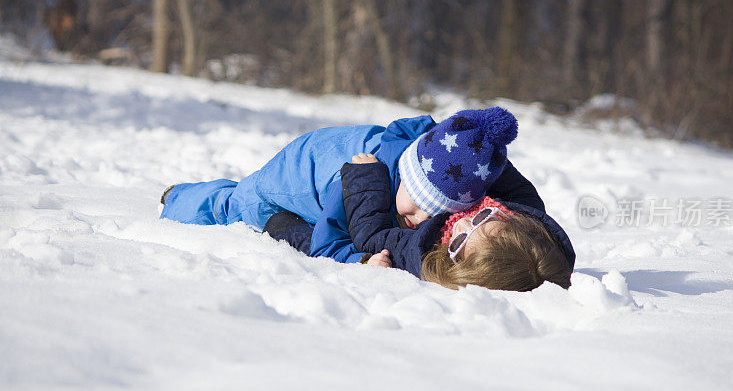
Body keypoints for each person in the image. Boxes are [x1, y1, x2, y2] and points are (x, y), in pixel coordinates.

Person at [161, 107, 531, 264]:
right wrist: (360, 259)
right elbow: (327, 242)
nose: (418, 218)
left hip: (332, 150)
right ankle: (176, 197)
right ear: (405, 174)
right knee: (238, 206)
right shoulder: (359, 177)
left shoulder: (436, 158)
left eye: (431, 212)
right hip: (295, 175)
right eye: (416, 203)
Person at [336, 153, 575, 290]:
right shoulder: (524, 210)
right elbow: (498, 166)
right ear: (514, 221)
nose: (462, 224)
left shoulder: (422, 252)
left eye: (459, 242)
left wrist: (366, 178)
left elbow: (370, 235)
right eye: (482, 218)